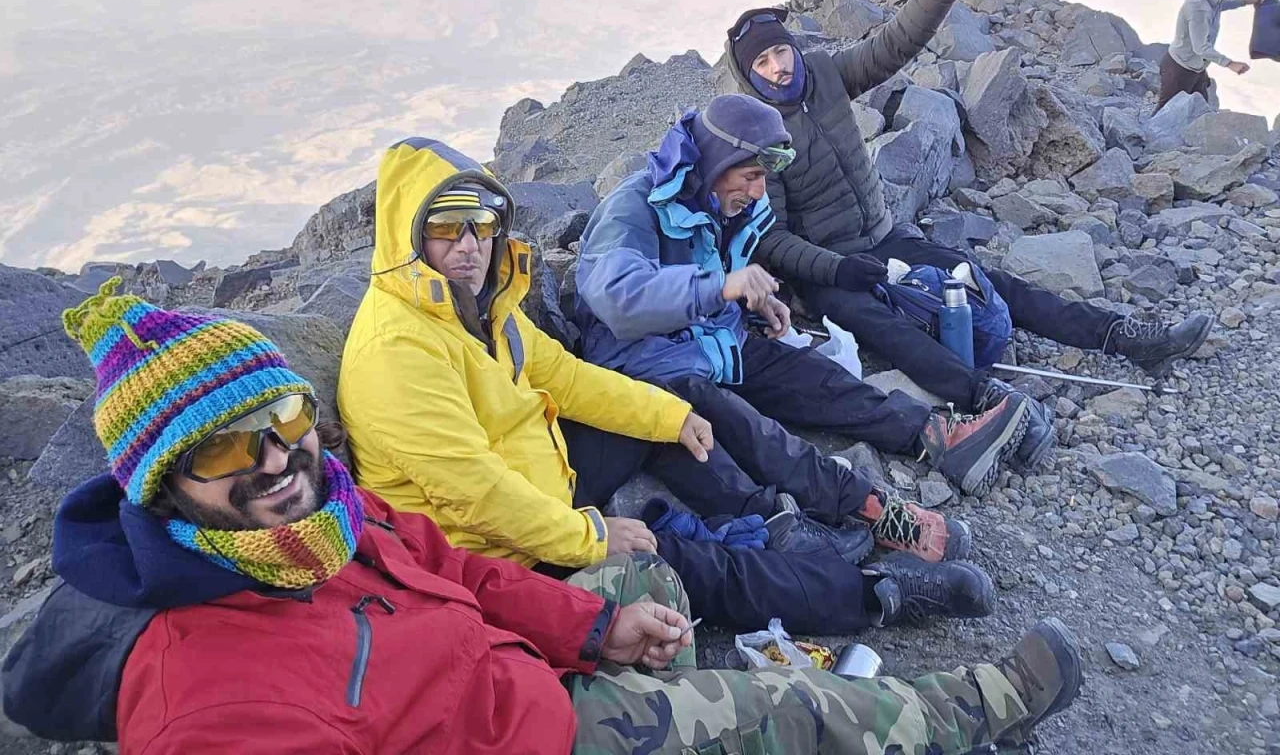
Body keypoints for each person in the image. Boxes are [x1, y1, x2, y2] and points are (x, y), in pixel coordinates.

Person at [0, 281, 1085, 753]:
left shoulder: (322, 521)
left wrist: (593, 625)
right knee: (783, 705)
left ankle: (839, 584)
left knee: (662, 573)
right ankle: (970, 704)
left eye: (282, 421)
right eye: (226, 451)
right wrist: (585, 543)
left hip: (517, 662)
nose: (277, 463)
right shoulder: (210, 706)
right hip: (538, 728)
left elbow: (458, 573)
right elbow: (475, 506)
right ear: (160, 485)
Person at [337, 137, 996, 635]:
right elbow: (475, 493)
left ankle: (836, 512)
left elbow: (565, 377)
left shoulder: (479, 307)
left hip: (544, 477)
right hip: (498, 552)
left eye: (482, 225)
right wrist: (591, 537)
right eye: (446, 227)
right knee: (692, 564)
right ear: (407, 234)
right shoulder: (397, 350)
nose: (470, 245)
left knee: (683, 403)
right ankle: (874, 594)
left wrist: (667, 418)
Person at [725, 0, 1215, 470]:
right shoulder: (758, 136)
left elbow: (894, 43)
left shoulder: (824, 73)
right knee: (884, 327)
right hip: (827, 271)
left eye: (780, 51)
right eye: (762, 63)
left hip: (882, 237)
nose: (777, 66)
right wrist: (837, 270)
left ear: (793, 48)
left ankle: (1121, 336)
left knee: (983, 280)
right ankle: (988, 399)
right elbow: (770, 238)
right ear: (750, 76)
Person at [574, 93, 1032, 513]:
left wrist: (749, 305)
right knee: (757, 432)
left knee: (815, 375)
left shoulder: (721, 201)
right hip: (647, 367)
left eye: (763, 178)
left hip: (709, 343)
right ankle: (862, 509)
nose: (759, 191)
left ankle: (938, 438)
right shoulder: (633, 205)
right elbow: (618, 297)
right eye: (751, 176)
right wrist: (721, 287)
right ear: (716, 163)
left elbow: (709, 272)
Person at [1159, 0, 1263, 110]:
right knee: (1166, 112)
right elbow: (1200, 47)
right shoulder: (1198, 9)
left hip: (1197, 68)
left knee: (1201, 111)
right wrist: (1230, 63)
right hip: (1179, 68)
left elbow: (1220, 5)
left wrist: (1246, 1)